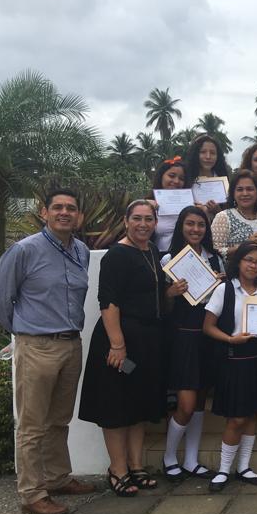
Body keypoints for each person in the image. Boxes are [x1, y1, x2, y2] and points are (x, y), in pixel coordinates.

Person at [0, 188, 94, 514]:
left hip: (70, 343)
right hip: (36, 345)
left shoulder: (81, 250)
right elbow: (1, 299)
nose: (65, 212)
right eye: (58, 207)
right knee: (32, 424)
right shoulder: (24, 250)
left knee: (59, 420)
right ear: (45, 212)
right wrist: (22, 333)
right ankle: (32, 493)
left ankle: (57, 477)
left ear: (78, 216)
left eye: (71, 208)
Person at [79, 200, 174, 497]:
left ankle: (136, 465)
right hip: (120, 341)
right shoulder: (116, 255)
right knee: (117, 407)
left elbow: (151, 293)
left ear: (155, 222)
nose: (143, 224)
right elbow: (108, 301)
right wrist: (117, 345)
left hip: (148, 341)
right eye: (137, 219)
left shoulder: (152, 252)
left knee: (139, 406)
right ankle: (117, 469)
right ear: (126, 220)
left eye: (148, 219)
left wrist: (171, 292)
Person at [202, 243, 257, 491]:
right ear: (238, 262)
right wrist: (230, 339)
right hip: (233, 358)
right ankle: (224, 470)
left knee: (252, 415)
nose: (253, 266)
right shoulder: (224, 290)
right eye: (248, 260)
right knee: (236, 418)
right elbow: (208, 327)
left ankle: (244, 467)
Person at [160, 207, 221, 481]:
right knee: (185, 404)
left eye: (200, 225)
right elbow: (162, 308)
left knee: (198, 403)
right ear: (181, 227)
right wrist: (170, 293)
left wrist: (221, 284)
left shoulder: (215, 260)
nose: (196, 230)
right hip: (183, 336)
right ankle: (169, 456)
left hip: (208, 337)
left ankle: (192, 460)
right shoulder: (169, 260)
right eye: (190, 224)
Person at [211, 169, 257, 259]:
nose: (245, 193)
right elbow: (216, 253)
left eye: (250, 189)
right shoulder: (223, 217)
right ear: (233, 193)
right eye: (240, 189)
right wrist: (246, 245)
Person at [184, 135, 231, 218]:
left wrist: (217, 211)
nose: (208, 157)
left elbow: (230, 215)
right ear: (195, 154)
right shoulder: (184, 179)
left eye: (212, 153)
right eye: (203, 152)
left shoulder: (224, 183)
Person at [149, 158, 189, 252]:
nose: (176, 181)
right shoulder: (148, 205)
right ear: (161, 176)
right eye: (171, 176)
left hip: (184, 257)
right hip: (157, 257)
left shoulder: (190, 205)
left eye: (181, 178)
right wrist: (145, 205)